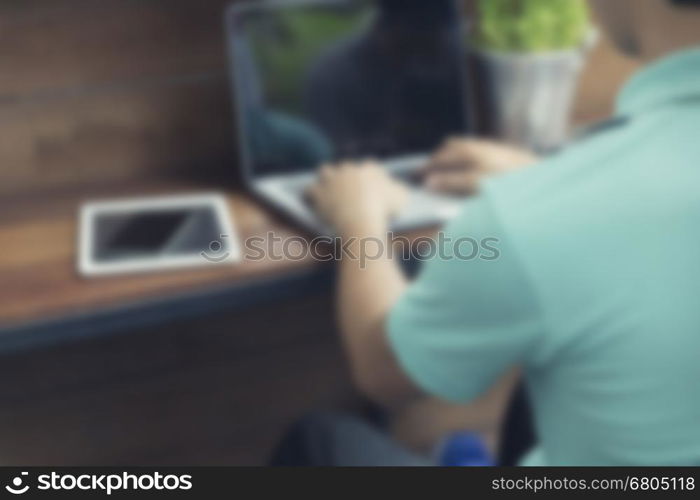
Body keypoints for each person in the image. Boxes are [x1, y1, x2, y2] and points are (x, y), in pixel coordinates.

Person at [276, 0, 700, 466]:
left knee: (320, 441)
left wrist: (359, 219)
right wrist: (552, 180)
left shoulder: (531, 213)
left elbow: (385, 370)